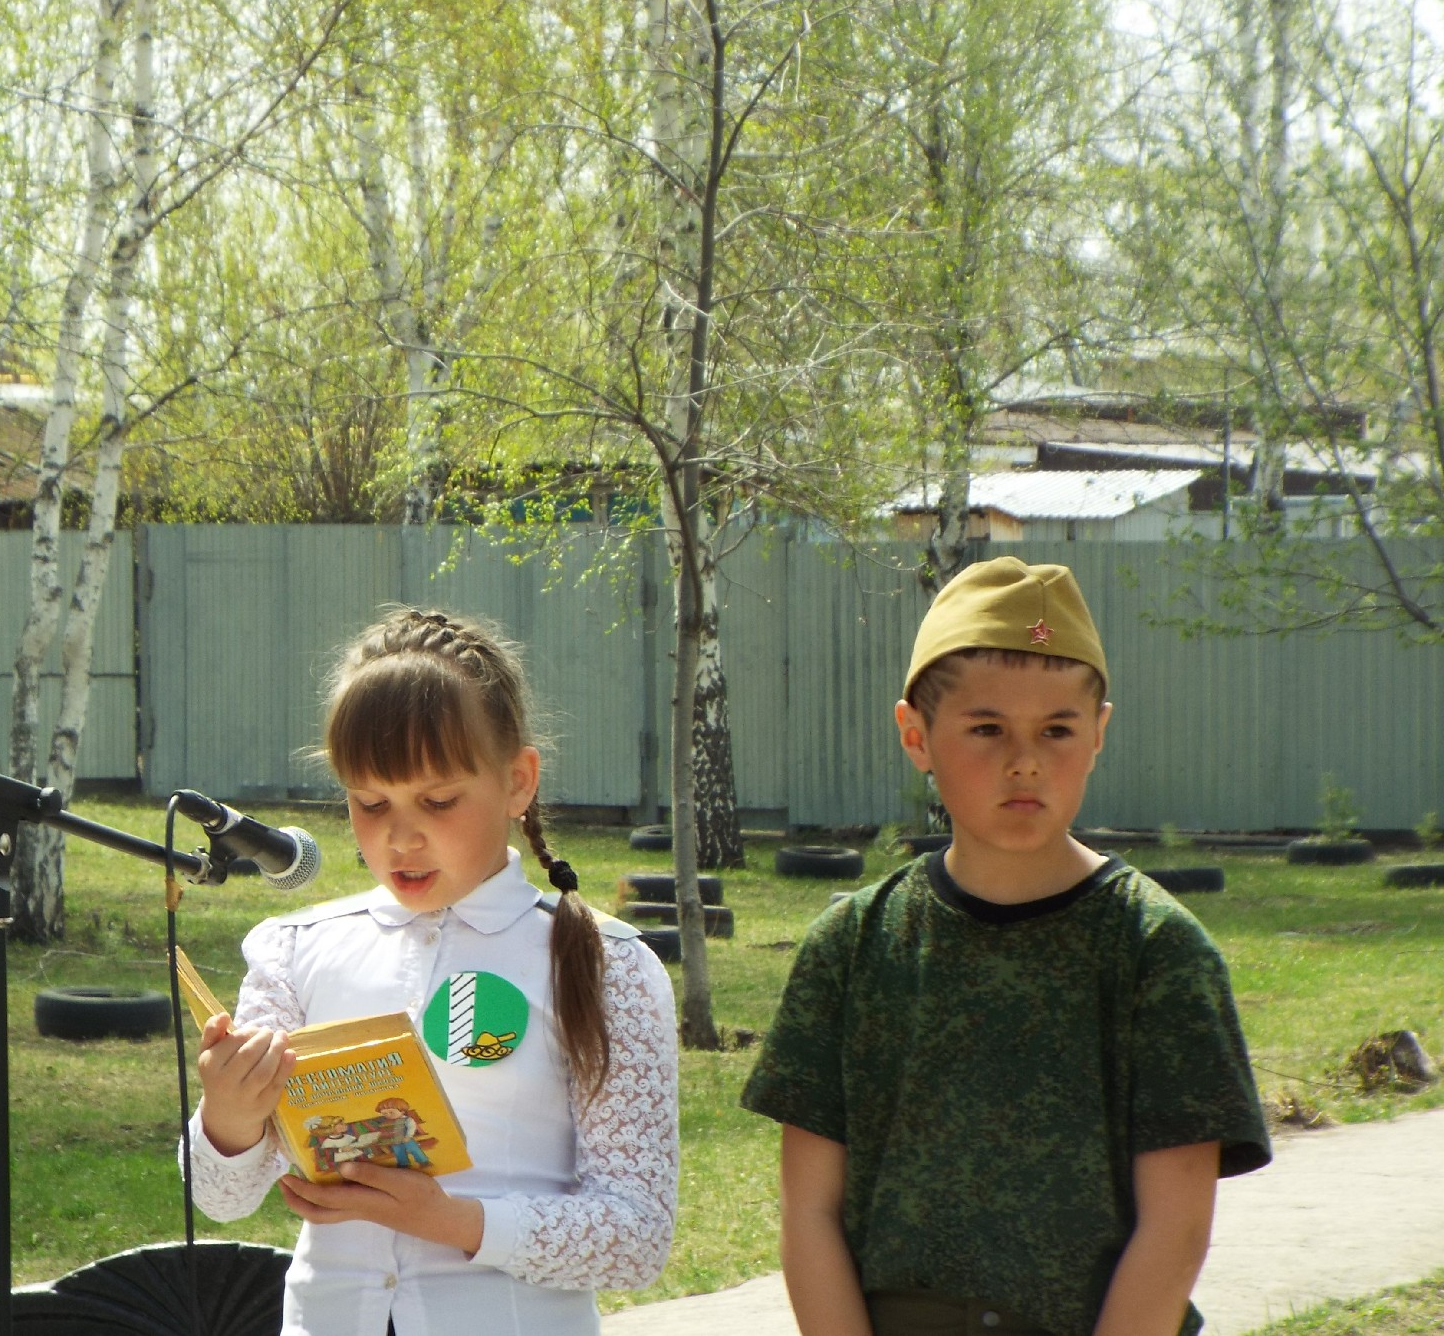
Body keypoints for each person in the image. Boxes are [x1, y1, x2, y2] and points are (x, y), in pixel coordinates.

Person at [742, 557, 1271, 1336]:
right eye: (987, 730)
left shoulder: (1157, 952)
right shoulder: (852, 948)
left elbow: (1176, 1228)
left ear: (1099, 733)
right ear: (916, 735)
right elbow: (809, 1211)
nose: (1025, 761)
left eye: (1057, 730)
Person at [185, 607, 679, 1336]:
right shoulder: (295, 949)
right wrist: (229, 1118)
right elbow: (223, 1199)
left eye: (438, 801)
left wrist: (454, 1221)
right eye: (370, 802)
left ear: (518, 782)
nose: (400, 836)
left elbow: (637, 1236)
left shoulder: (606, 965)